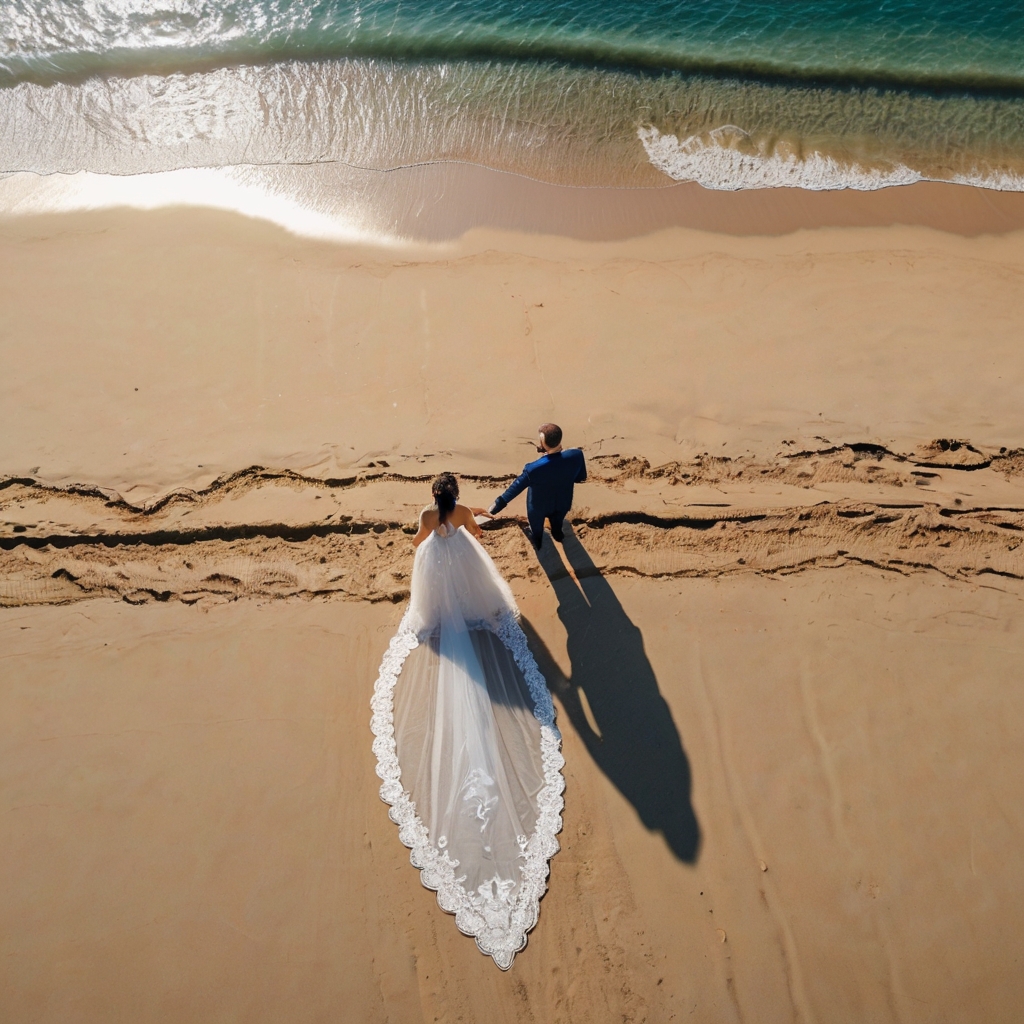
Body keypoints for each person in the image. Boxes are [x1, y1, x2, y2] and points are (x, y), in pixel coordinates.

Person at [369, 472, 565, 971]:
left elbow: (418, 541)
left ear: (434, 499)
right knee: (478, 599)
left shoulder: (430, 517)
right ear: (455, 497)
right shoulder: (460, 513)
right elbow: (476, 535)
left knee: (432, 607)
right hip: (461, 564)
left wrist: (432, 539)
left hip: (438, 565)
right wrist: (466, 533)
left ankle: (439, 618)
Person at [487, 423, 587, 549]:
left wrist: (498, 504)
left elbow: (516, 487)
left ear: (543, 443)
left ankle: (538, 540)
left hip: (538, 507)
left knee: (536, 527)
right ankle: (557, 534)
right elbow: (581, 476)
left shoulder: (533, 468)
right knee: (558, 522)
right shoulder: (576, 455)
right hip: (563, 502)